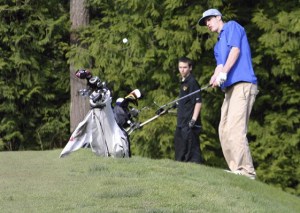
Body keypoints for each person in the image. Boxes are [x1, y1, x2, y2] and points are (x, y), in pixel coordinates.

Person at [198, 9, 259, 179]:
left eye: (209, 20)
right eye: (205, 23)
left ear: (218, 17)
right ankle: (236, 170)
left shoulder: (232, 26)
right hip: (230, 89)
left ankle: (247, 171)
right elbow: (220, 65)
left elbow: (235, 51)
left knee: (236, 128)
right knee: (224, 129)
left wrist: (224, 72)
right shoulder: (217, 45)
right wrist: (215, 75)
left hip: (243, 84)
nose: (207, 24)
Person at [174, 57, 202, 164]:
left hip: (189, 123)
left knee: (192, 151)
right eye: (180, 67)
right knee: (180, 146)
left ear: (190, 68)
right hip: (181, 121)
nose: (182, 70)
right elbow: (184, 101)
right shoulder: (183, 82)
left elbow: (198, 102)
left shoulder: (192, 82)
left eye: (185, 67)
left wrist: (193, 120)